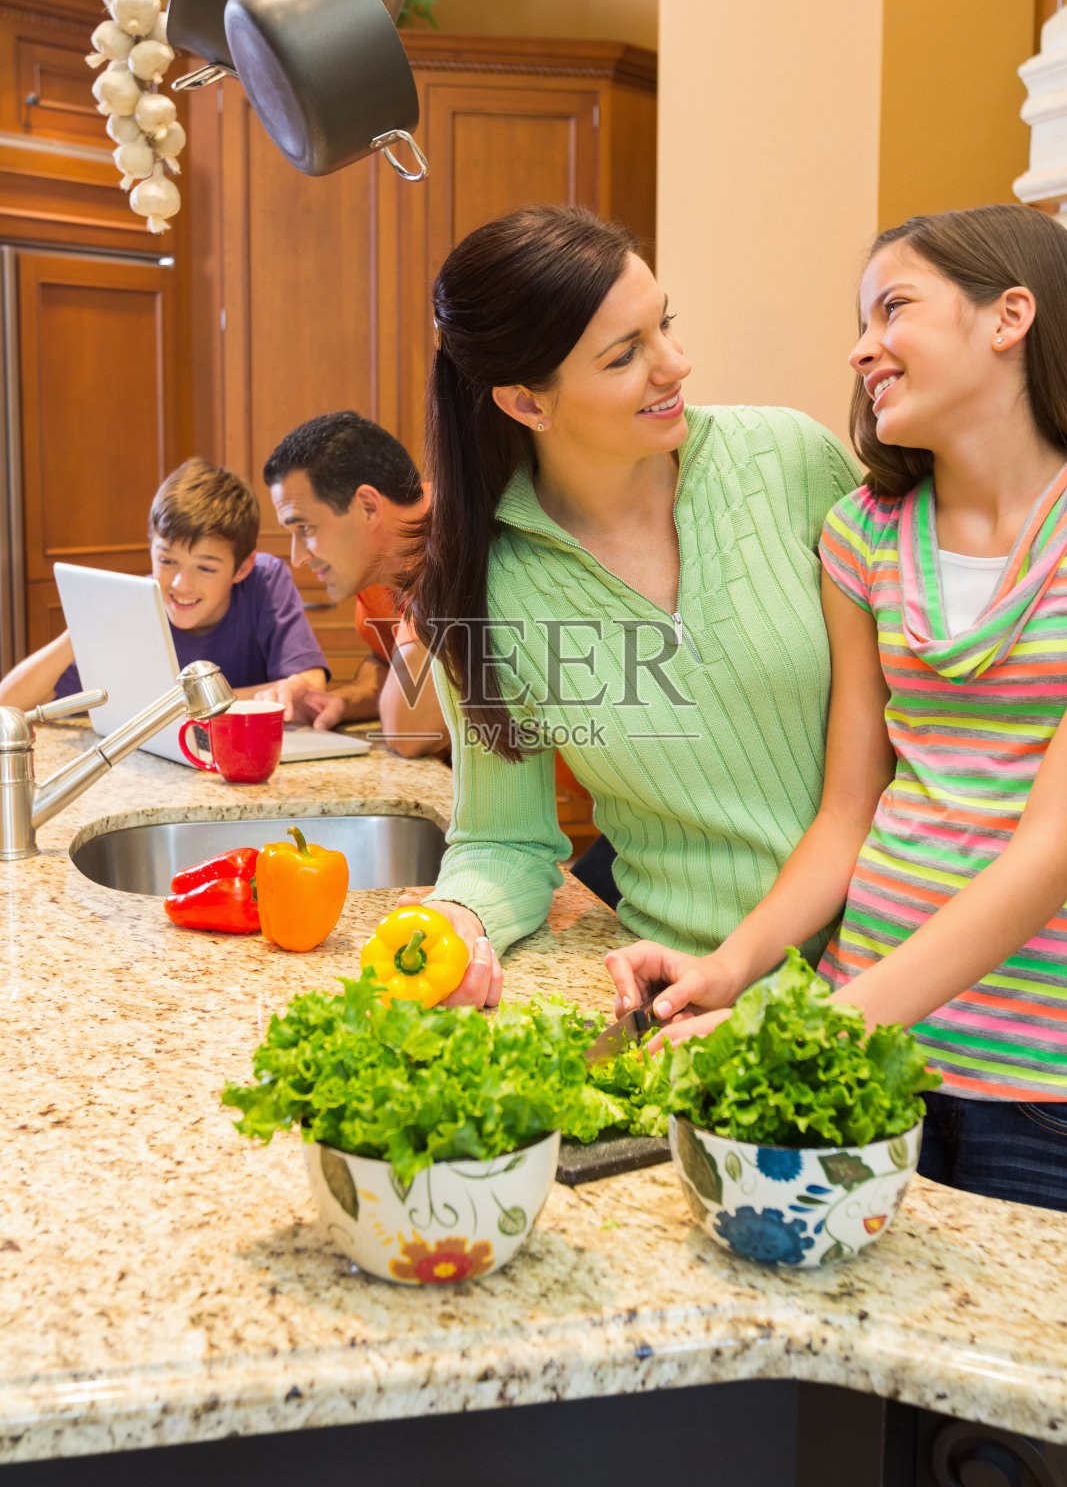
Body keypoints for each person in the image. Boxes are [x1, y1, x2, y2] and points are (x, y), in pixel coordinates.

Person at [607, 203, 1067, 1213]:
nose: (861, 348)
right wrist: (726, 971)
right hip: (874, 1050)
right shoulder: (860, 533)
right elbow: (847, 810)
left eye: (891, 308)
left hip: (1037, 1085)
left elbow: (1046, 858)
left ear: (1009, 317)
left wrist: (807, 1029)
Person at [399, 204, 862, 1008]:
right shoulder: (483, 594)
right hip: (683, 990)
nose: (675, 364)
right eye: (624, 356)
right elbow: (504, 837)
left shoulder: (790, 460)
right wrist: (458, 921)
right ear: (525, 404)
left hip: (896, 971)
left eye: (664, 325)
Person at [0, 458, 328, 709]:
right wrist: (82, 628)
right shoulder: (133, 605)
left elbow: (309, 687)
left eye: (206, 568)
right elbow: (7, 705)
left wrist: (169, 707)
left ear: (242, 568)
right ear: (150, 548)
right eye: (167, 561)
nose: (181, 585)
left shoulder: (264, 581)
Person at [260, 412, 448, 759]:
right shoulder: (376, 561)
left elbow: (409, 732)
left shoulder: (456, 542)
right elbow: (386, 663)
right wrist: (339, 701)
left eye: (305, 529)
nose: (298, 558)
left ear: (367, 507)